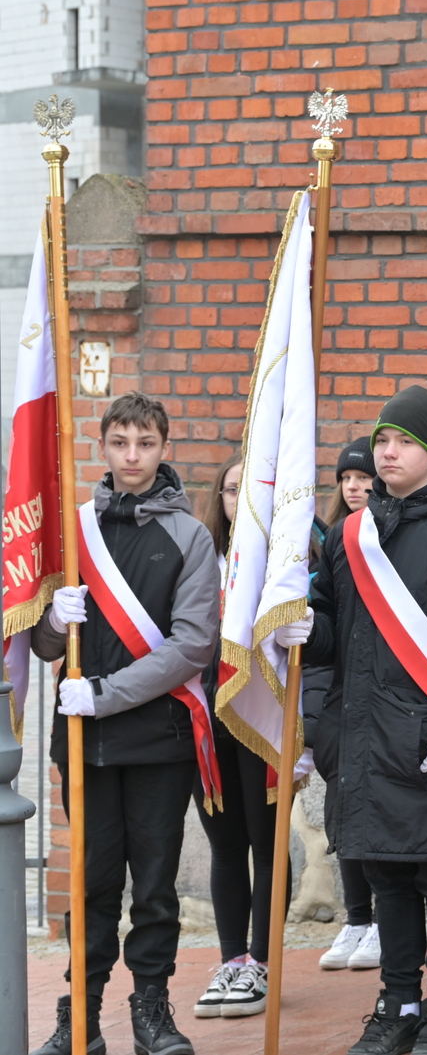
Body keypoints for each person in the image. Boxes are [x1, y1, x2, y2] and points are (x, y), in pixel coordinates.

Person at [287, 385, 427, 1055]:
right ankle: (398, 999)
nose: (387, 453)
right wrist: (309, 627)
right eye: (382, 440)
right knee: (385, 873)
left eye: (403, 443)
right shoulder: (355, 534)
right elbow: (338, 631)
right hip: (363, 738)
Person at [30, 392, 220, 1055]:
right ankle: (77, 1013)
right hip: (82, 741)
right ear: (102, 446)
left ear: (165, 447)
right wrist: (54, 618)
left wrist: (104, 694)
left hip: (156, 739)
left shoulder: (190, 536)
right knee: (92, 880)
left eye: (145, 443)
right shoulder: (75, 530)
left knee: (156, 885)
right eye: (120, 443)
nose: (132, 456)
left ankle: (152, 1012)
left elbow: (192, 644)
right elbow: (45, 648)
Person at [189, 452, 275, 1019]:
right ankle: (232, 961)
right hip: (209, 716)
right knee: (226, 844)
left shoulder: (285, 561)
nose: (237, 499)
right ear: (218, 499)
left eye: (249, 490)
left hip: (263, 716)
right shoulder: (201, 558)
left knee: (267, 847)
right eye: (229, 490)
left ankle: (263, 965)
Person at [316, 438, 383, 972]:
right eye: (347, 478)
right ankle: (357, 917)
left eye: (364, 477)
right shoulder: (330, 540)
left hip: (383, 701)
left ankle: (383, 920)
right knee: (343, 816)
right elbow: (325, 636)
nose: (356, 486)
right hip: (337, 703)